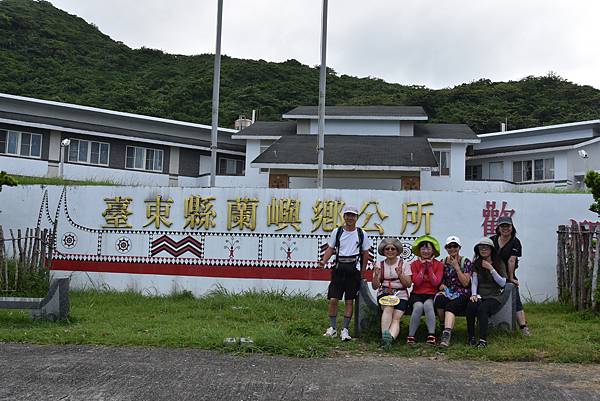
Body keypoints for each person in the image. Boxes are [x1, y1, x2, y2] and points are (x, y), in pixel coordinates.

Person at [319, 205, 371, 341]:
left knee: (349, 301)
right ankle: (333, 328)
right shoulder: (337, 232)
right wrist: (324, 261)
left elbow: (365, 253)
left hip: (353, 270)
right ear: (344, 217)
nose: (350, 218)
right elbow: (331, 248)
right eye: (348, 215)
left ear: (356, 218)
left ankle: (345, 330)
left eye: (353, 215)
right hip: (338, 268)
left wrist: (363, 272)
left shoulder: (362, 233)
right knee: (333, 299)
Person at [490, 216, 530, 336]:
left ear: (512, 227)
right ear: (498, 228)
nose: (505, 228)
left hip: (507, 274)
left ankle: (523, 327)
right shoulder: (491, 240)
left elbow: (511, 261)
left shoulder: (515, 242)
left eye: (508, 226)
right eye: (502, 226)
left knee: (515, 298)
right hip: (491, 274)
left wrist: (511, 278)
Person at [371, 238, 412, 349]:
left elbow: (408, 284)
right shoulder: (379, 264)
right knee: (388, 307)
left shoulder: (404, 264)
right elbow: (375, 286)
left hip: (401, 294)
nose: (390, 251)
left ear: (397, 250)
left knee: (396, 317)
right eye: (387, 249)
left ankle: (389, 340)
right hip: (385, 292)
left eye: (393, 248)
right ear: (383, 251)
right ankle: (385, 336)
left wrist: (400, 275)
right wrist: (376, 276)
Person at [467, 237, 507, 348]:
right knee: (471, 305)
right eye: (481, 248)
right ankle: (471, 337)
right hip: (480, 294)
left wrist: (491, 268)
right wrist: (473, 295)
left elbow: (503, 283)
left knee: (482, 309)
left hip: (494, 296)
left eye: (486, 248)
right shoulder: (476, 263)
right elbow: (474, 281)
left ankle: (483, 340)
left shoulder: (499, 262)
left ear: (491, 250)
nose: (483, 250)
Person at [434, 235, 472, 347]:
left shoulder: (466, 262)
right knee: (439, 300)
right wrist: (441, 285)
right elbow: (439, 280)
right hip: (448, 292)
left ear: (459, 247)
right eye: (449, 246)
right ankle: (442, 325)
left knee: (451, 306)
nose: (452, 249)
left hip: (462, 293)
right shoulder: (443, 262)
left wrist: (456, 267)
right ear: (446, 248)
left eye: (455, 246)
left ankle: (446, 334)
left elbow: (466, 283)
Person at [406, 235, 443, 345]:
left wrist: (430, 266)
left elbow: (435, 282)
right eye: (423, 248)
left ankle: (431, 335)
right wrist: (423, 267)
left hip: (431, 294)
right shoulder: (414, 264)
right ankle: (411, 335)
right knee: (418, 307)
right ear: (419, 250)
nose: (425, 251)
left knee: (428, 305)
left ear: (433, 250)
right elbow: (416, 282)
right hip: (417, 294)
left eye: (428, 248)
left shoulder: (439, 264)